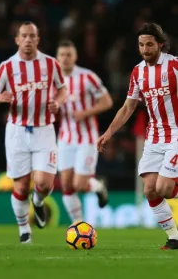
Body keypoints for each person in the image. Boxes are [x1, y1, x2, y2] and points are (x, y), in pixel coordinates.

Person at [0, 21, 67, 243]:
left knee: (43, 184)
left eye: (32, 36)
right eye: (24, 36)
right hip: (17, 132)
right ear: (17, 40)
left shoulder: (50, 64)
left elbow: (63, 89)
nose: (28, 39)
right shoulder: (7, 67)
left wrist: (57, 103)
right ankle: (24, 231)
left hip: (44, 130)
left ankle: (38, 202)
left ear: (38, 39)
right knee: (20, 185)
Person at [97, 23, 178, 250]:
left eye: (150, 44)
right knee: (150, 189)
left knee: (164, 188)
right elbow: (128, 107)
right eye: (141, 45)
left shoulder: (174, 66)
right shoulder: (137, 72)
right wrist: (109, 132)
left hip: (176, 134)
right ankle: (174, 237)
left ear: (160, 44)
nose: (145, 49)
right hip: (154, 136)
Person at [56, 40, 113, 223]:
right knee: (66, 185)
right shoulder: (52, 81)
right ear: (57, 58)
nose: (65, 59)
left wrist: (86, 113)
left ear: (75, 57)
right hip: (64, 138)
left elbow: (107, 102)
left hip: (87, 138)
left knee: (79, 184)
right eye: (62, 55)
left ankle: (98, 186)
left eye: (68, 55)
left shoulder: (88, 77)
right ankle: (78, 224)